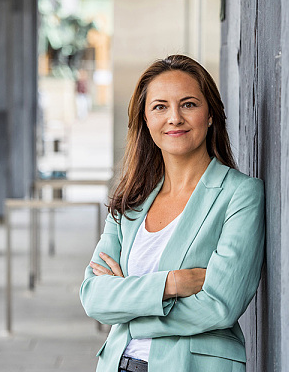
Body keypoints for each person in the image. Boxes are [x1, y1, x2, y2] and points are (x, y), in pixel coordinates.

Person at [80, 54, 265, 372]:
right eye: (160, 106)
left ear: (210, 115)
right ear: (146, 120)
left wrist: (129, 312)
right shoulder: (131, 200)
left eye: (189, 104)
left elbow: (219, 306)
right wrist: (171, 284)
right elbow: (94, 297)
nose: (175, 118)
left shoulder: (239, 195)